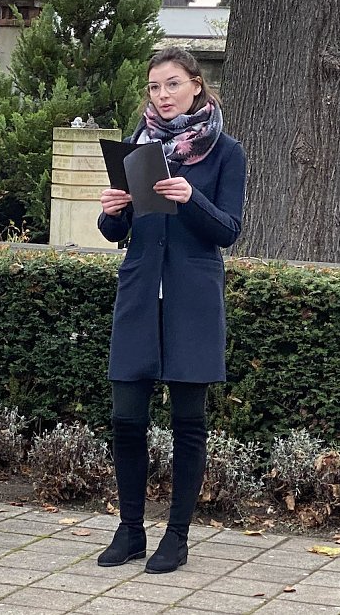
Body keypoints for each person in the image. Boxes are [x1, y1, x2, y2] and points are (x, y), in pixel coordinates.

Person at [96, 47, 247, 573]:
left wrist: (191, 198)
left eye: (172, 84)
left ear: (196, 86)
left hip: (192, 299)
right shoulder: (137, 148)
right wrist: (111, 212)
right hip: (139, 294)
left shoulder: (226, 152)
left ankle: (177, 536)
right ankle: (130, 529)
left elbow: (228, 230)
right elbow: (120, 234)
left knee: (187, 421)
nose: (162, 95)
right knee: (126, 416)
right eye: (155, 87)